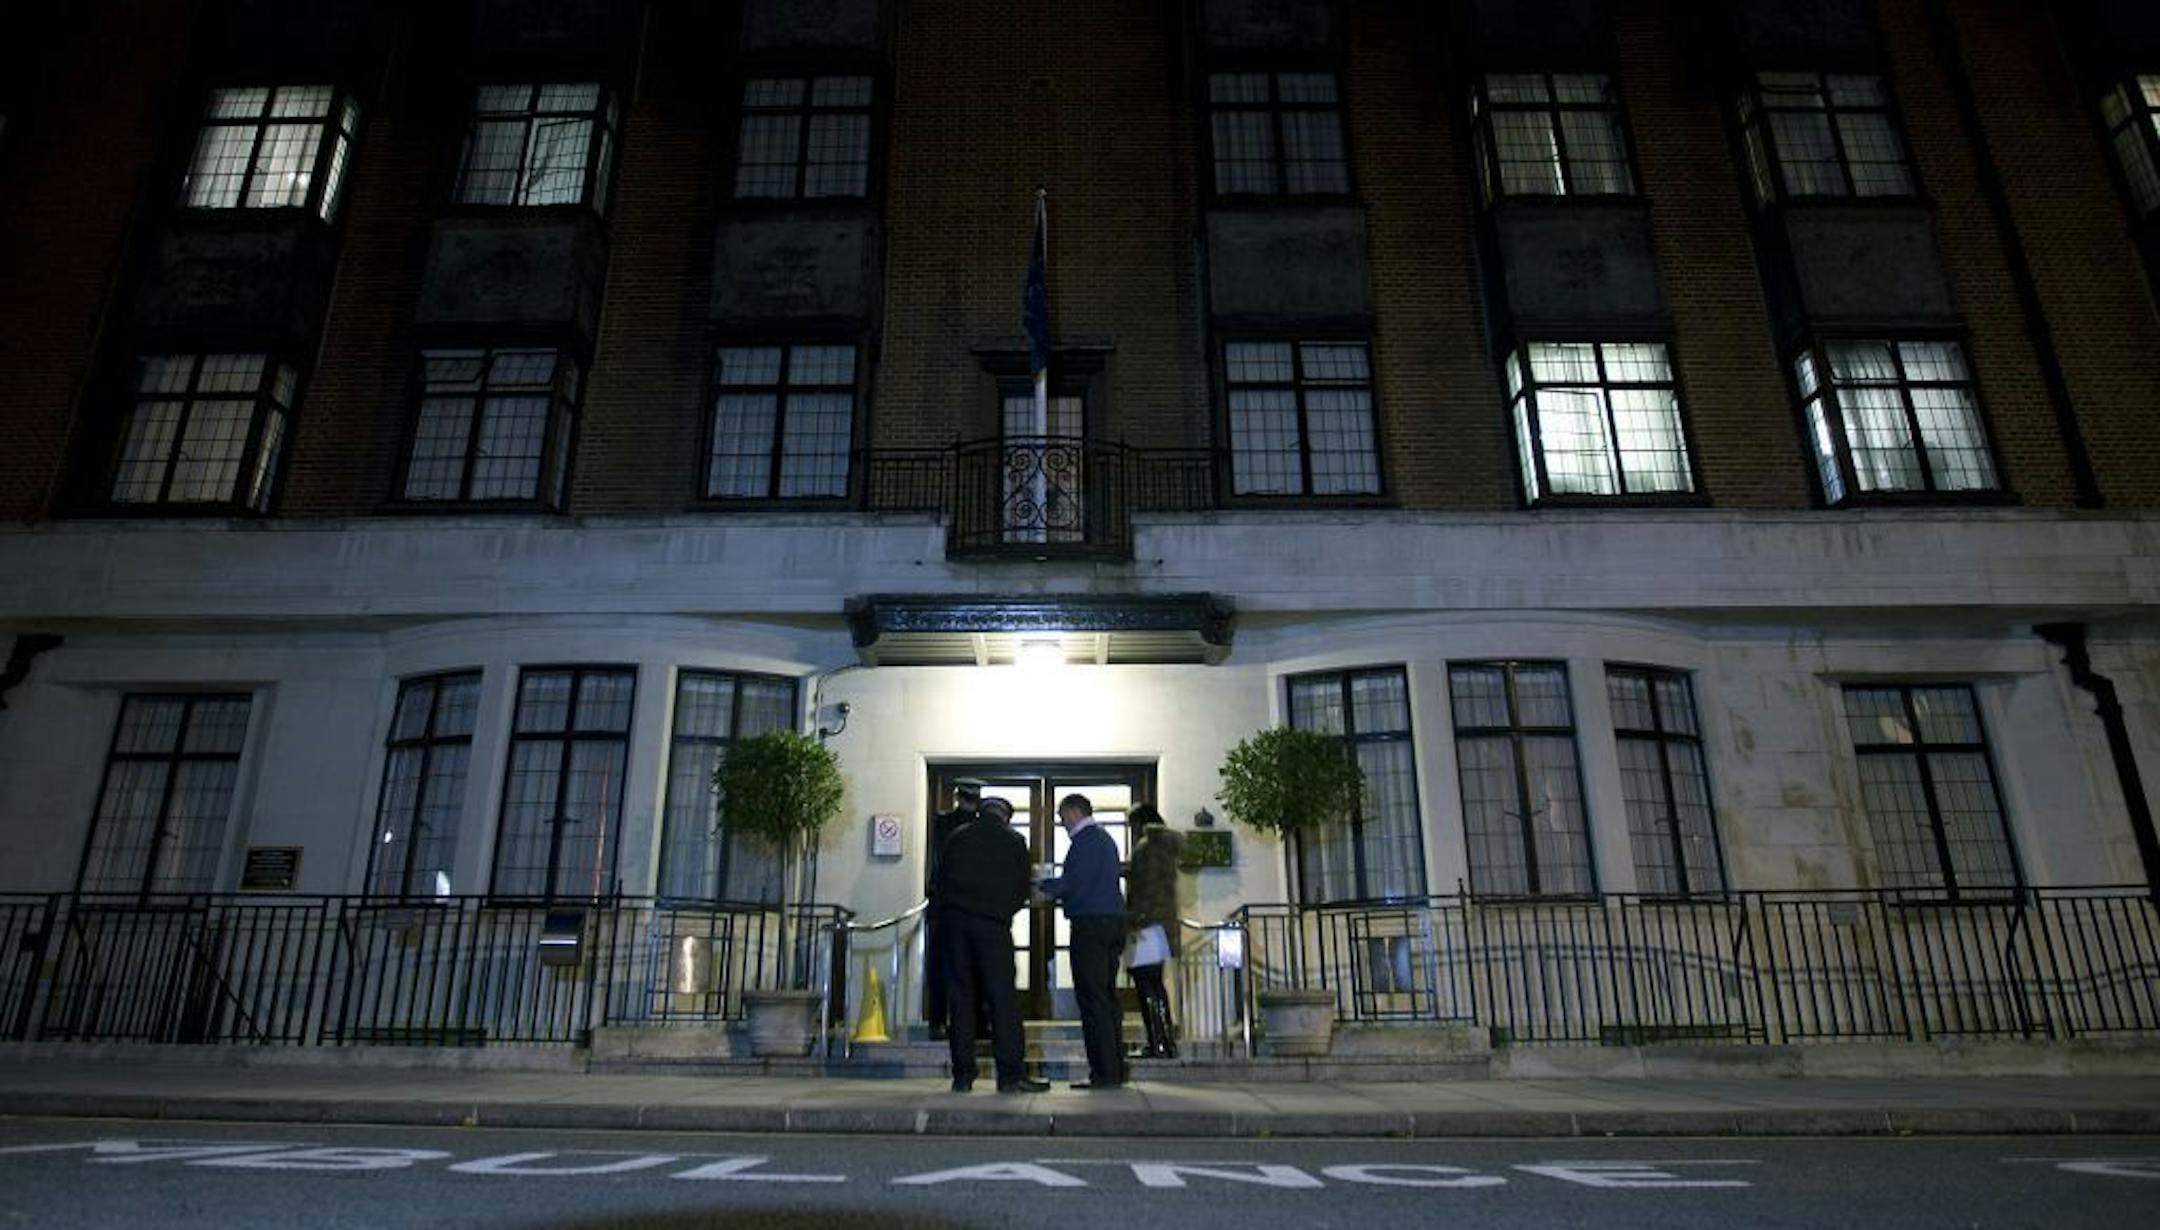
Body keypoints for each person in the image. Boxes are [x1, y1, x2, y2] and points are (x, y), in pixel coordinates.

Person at [934, 796, 1049, 1093]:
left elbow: (940, 879)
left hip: (955, 924)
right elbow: (1022, 887)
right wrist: (1003, 911)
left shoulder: (957, 837)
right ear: (1005, 816)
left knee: (961, 999)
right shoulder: (1013, 840)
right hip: (992, 925)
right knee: (1003, 1000)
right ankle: (1010, 1075)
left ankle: (962, 1076)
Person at [1038, 792, 1127, 1089]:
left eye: (1062, 818)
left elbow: (1074, 882)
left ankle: (1104, 1072)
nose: (1062, 824)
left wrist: (1042, 885)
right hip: (1112, 922)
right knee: (1107, 997)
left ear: (1075, 812)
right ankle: (1114, 1067)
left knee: (1092, 999)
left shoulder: (1086, 842)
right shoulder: (1105, 840)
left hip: (1091, 925)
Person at [1122, 803, 1183, 1060]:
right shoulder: (1164, 846)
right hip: (1162, 923)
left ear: (1140, 822)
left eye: (1131, 824)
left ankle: (1158, 1043)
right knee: (1155, 984)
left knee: (1146, 984)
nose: (1130, 830)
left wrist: (1133, 919)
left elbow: (1145, 889)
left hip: (1146, 924)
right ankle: (1164, 1042)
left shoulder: (1147, 847)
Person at [923, 778, 981, 1041]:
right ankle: (970, 1022)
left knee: (948, 968)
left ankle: (943, 1022)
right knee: (965, 968)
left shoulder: (943, 824)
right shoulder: (973, 826)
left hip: (949, 907)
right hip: (964, 908)